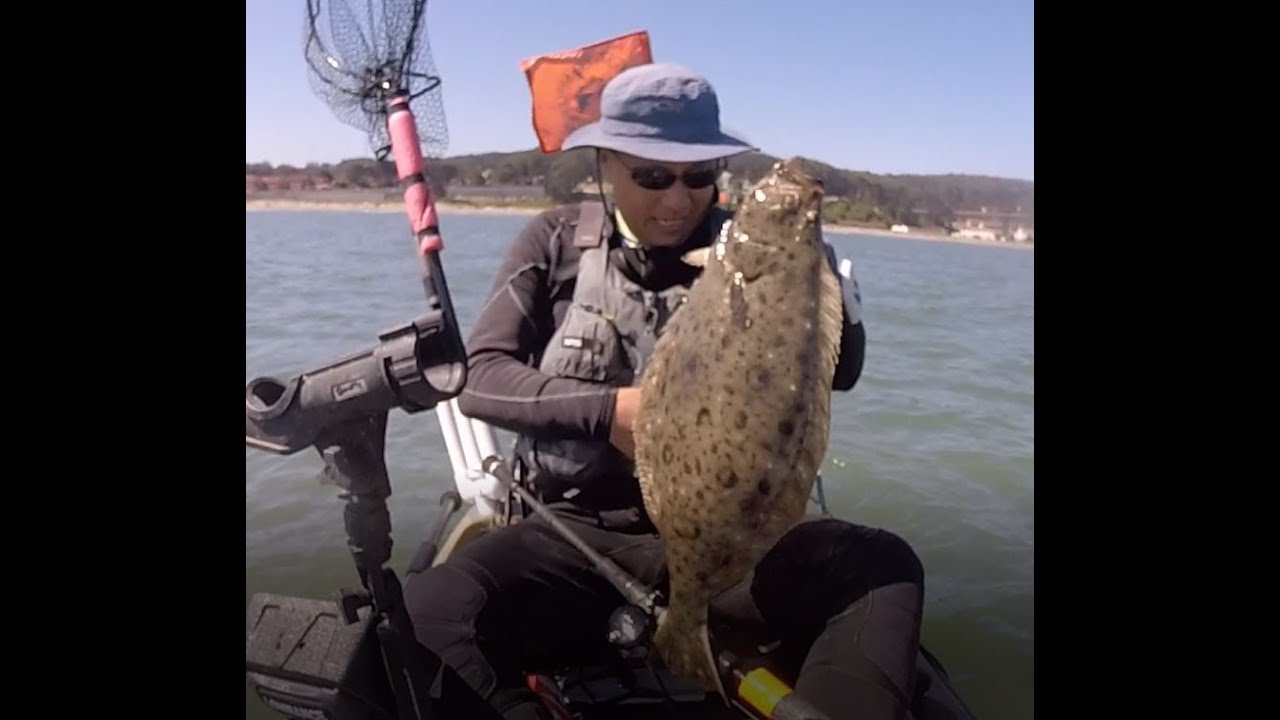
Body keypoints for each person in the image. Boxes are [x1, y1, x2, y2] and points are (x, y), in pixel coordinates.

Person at [403, 62, 927, 720]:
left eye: (699, 176)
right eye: (652, 176)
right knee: (427, 612)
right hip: (575, 534)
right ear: (606, 163)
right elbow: (477, 375)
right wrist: (611, 413)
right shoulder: (554, 240)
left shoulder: (759, 249)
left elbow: (840, 374)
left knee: (884, 565)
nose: (678, 200)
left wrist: (829, 298)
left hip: (732, 545)